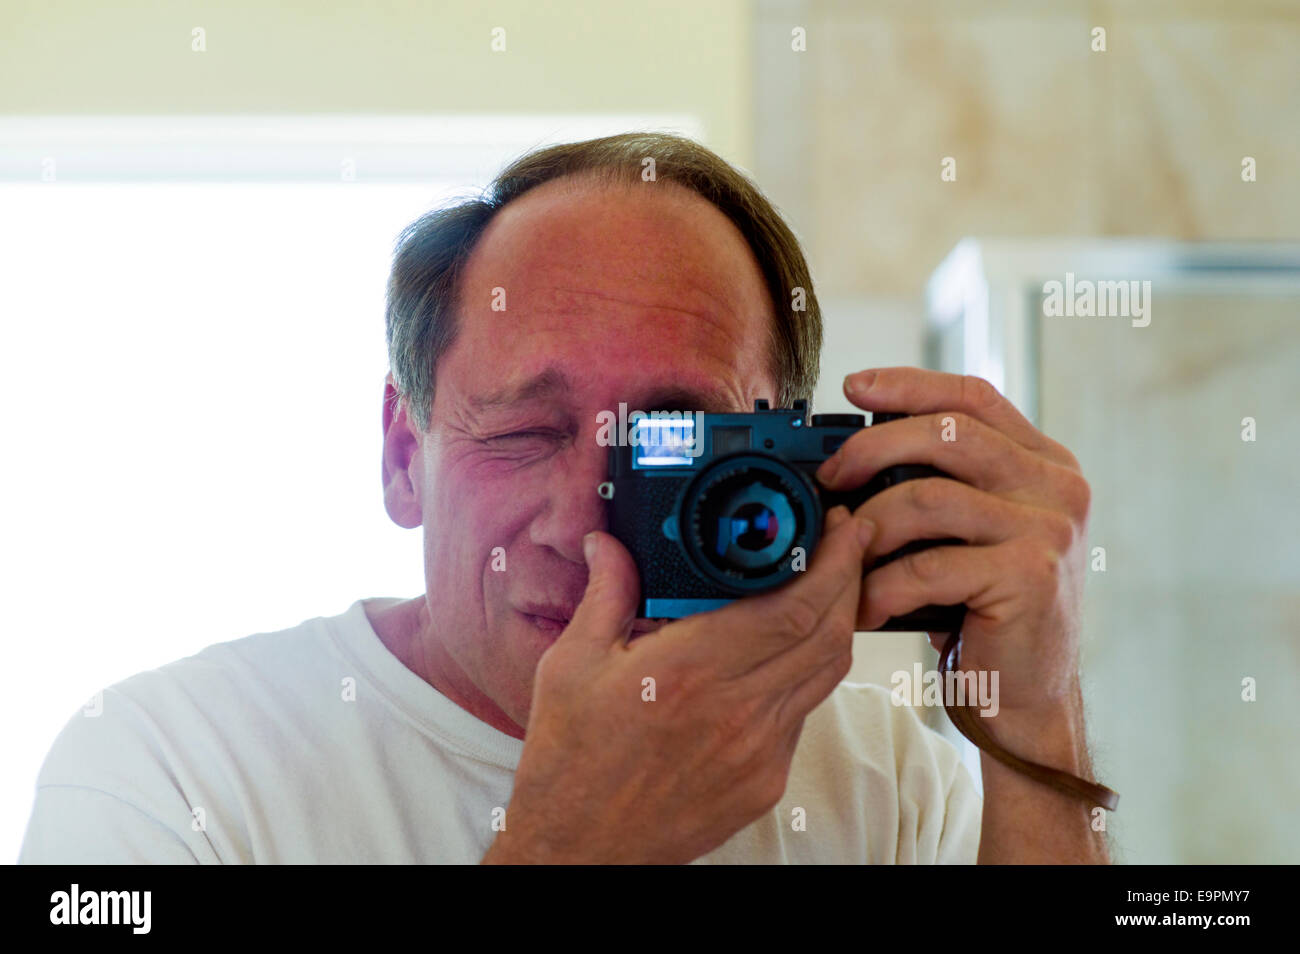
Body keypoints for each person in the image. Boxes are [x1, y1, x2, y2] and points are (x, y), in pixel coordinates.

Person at [19, 133, 1106, 864]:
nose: (587, 526)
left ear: (794, 462)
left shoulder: (887, 784)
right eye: (526, 432)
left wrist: (1035, 722)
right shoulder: (172, 767)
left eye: (675, 442)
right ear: (405, 457)